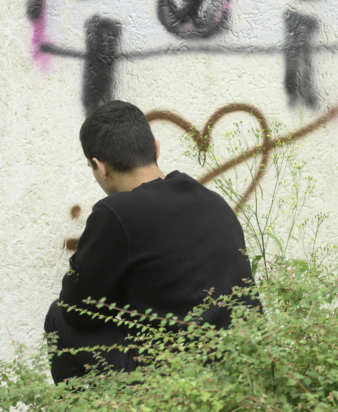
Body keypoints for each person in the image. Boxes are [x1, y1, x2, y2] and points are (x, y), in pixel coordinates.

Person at [44, 100, 260, 383]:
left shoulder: (117, 212)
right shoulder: (213, 201)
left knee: (58, 317)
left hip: (176, 374)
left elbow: (76, 310)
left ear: (100, 167)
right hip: (245, 362)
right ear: (156, 148)